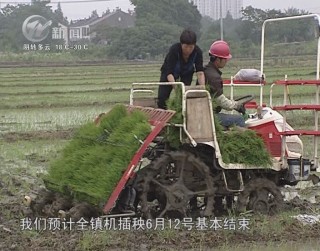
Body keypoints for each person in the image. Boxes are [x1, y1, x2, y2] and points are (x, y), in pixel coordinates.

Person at [157, 29, 205, 109]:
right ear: (181, 44)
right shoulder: (174, 50)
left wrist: (203, 88)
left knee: (185, 96)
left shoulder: (197, 52)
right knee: (162, 99)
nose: (188, 50)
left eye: (191, 47)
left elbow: (200, 72)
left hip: (187, 72)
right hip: (170, 73)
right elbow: (169, 73)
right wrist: (177, 88)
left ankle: (182, 113)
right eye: (186, 47)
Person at [204, 40, 246, 129]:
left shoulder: (207, 71)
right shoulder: (214, 77)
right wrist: (237, 106)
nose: (226, 61)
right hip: (209, 115)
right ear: (218, 59)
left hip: (205, 112)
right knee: (239, 119)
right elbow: (221, 101)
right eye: (225, 59)